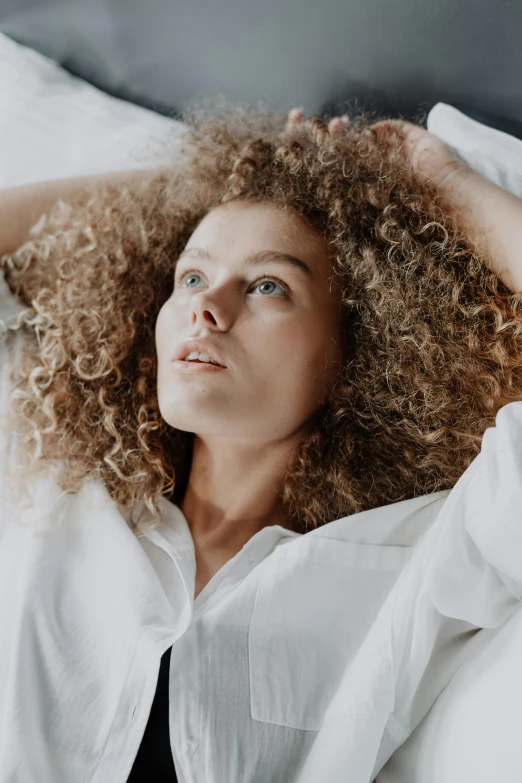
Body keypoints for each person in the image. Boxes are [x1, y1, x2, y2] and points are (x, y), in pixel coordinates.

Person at [1, 102, 522, 783]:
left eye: (268, 285)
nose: (205, 307)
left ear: (358, 355)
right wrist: (201, 185)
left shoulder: (412, 556)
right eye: (190, 275)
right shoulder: (55, 485)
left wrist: (445, 183)